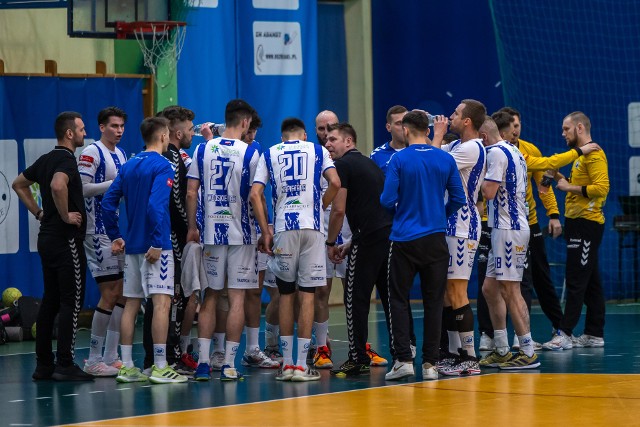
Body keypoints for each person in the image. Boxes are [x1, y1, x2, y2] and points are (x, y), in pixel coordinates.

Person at [250, 117, 340, 382]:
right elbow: (335, 183)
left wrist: (265, 231)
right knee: (308, 295)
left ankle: (287, 364)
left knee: (286, 294)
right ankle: (302, 365)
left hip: (282, 228)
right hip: (311, 228)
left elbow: (255, 194)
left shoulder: (270, 153)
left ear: (282, 137)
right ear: (303, 136)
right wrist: (319, 206)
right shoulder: (317, 149)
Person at [381, 110, 465, 381]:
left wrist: (404, 212)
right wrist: (439, 215)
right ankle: (430, 364)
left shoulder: (399, 159)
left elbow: (386, 199)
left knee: (398, 299)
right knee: (434, 301)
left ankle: (404, 359)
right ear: (428, 131)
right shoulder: (444, 158)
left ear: (405, 130)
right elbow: (458, 198)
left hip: (404, 239)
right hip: (436, 240)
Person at [102, 116, 187, 384]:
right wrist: (157, 242)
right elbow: (155, 207)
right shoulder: (163, 165)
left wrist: (115, 236)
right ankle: (161, 366)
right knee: (162, 302)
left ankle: (126, 366)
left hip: (132, 247)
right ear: (163, 136)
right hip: (154, 247)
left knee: (131, 303)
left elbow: (107, 203)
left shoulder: (129, 165)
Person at [12, 111, 94, 381]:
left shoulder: (48, 158)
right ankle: (65, 363)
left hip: (47, 239)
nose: (84, 132)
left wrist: (39, 213)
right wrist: (65, 215)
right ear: (69, 133)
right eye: (81, 129)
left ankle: (44, 365)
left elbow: (18, 184)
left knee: (50, 300)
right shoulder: (66, 160)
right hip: (65, 239)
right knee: (71, 301)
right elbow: (59, 186)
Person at [186, 99, 260, 381]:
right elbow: (256, 196)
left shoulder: (202, 148)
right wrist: (264, 230)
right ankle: (229, 364)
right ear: (244, 123)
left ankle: (204, 362)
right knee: (237, 299)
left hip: (210, 232)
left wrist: (193, 226)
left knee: (210, 296)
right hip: (241, 235)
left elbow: (191, 193)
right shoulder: (252, 152)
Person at [323, 122, 394, 376]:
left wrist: (330, 243)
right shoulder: (369, 164)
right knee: (390, 298)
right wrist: (351, 241)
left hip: (368, 240)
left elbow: (338, 210)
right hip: (386, 236)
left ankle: (357, 357)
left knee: (355, 298)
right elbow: (375, 209)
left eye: (333, 139)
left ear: (348, 142)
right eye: (326, 140)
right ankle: (402, 355)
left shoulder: (341, 165)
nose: (328, 144)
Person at [542, 112, 609, 350]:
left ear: (579, 128)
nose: (563, 134)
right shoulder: (581, 156)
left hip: (587, 225)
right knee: (591, 280)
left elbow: (602, 188)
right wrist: (560, 177)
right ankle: (594, 333)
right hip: (577, 223)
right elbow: (578, 185)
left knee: (576, 279)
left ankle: (565, 334)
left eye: (566, 129)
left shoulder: (594, 154)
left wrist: (568, 186)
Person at [430, 100, 487, 376]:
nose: (449, 116)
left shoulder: (472, 147)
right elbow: (424, 151)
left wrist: (437, 133)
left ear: (466, 121)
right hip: (449, 224)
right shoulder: (456, 146)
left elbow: (430, 161)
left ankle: (471, 357)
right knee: (446, 294)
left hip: (462, 225)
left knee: (457, 291)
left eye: (455, 114)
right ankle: (454, 354)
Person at [477, 116, 538, 370]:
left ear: (482, 138)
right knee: (490, 289)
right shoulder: (513, 150)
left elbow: (489, 192)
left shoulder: (496, 154)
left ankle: (528, 350)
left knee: (511, 290)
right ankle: (501, 350)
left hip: (509, 229)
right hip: (505, 228)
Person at [77, 107, 128, 377]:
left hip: (114, 229)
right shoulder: (91, 152)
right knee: (109, 293)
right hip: (95, 231)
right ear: (101, 127)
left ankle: (111, 355)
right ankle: (93, 358)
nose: (118, 131)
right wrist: (114, 184)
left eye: (121, 127)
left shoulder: (120, 154)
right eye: (113, 126)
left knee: (120, 292)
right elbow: (81, 188)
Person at [240, 111, 281, 369]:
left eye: (256, 132)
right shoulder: (217, 150)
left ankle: (257, 347)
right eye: (250, 131)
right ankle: (216, 353)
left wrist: (266, 226)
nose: (253, 136)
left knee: (263, 290)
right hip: (230, 231)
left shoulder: (257, 151)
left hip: (254, 229)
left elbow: (261, 195)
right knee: (222, 294)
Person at [370, 105, 408, 174]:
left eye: (406, 123)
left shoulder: (417, 150)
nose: (404, 127)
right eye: (399, 123)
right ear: (388, 127)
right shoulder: (377, 155)